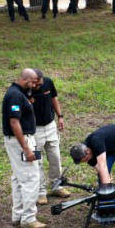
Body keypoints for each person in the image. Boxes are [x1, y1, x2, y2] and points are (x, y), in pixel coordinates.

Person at [2, 68, 44, 228]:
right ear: (25, 79)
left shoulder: (18, 93)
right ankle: (28, 217)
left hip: (23, 140)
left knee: (19, 177)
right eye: (33, 82)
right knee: (30, 177)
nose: (35, 85)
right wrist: (26, 149)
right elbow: (14, 122)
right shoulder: (15, 95)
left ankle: (18, 214)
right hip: (22, 141)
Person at [31, 69, 71, 205]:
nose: (38, 86)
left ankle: (56, 186)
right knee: (37, 161)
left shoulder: (47, 82)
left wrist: (60, 116)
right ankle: (40, 192)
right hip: (34, 130)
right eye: (35, 84)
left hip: (50, 126)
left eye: (40, 84)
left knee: (55, 157)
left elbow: (54, 98)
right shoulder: (24, 91)